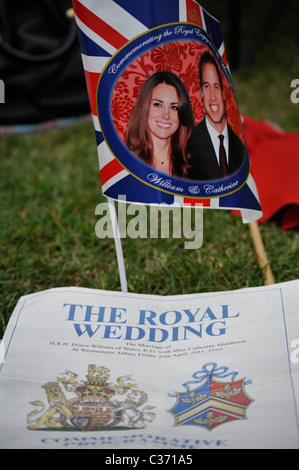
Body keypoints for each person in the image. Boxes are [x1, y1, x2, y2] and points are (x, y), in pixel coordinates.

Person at [187, 51, 244, 180]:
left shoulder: (240, 145)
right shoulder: (187, 148)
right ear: (201, 92)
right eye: (207, 87)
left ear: (225, 93)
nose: (212, 97)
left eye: (217, 87)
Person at [126, 71, 194, 177]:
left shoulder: (195, 164)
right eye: (158, 104)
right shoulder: (126, 161)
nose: (166, 115)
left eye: (174, 107)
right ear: (144, 108)